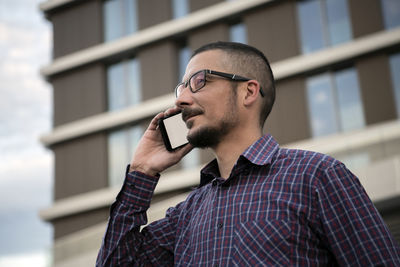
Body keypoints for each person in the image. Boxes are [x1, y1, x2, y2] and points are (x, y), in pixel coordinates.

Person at [96, 41, 400, 266]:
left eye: (199, 81)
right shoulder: (188, 213)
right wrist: (142, 171)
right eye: (181, 88)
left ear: (248, 92)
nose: (182, 100)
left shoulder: (317, 176)